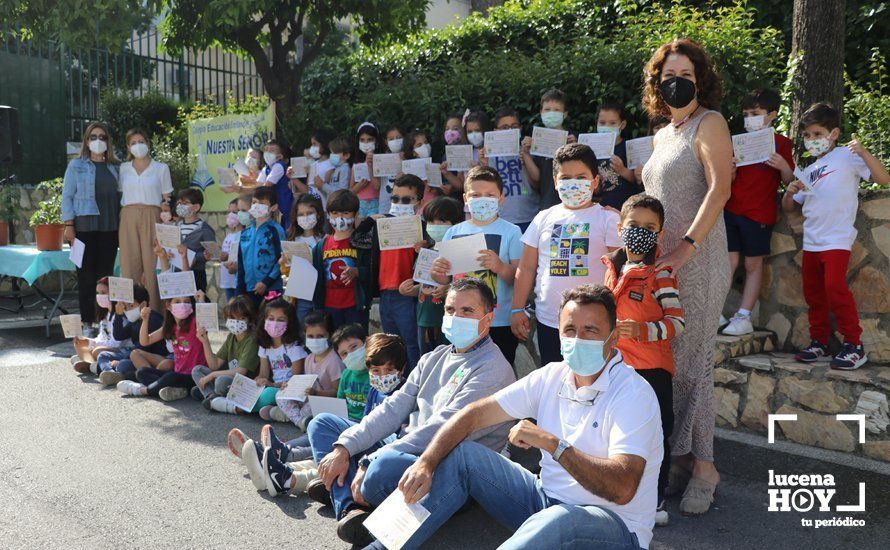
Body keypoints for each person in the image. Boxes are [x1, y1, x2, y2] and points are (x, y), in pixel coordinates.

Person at [367, 284, 661, 550]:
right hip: (545, 501)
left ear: (613, 337)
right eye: (570, 330)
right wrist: (426, 463)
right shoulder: (551, 376)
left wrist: (553, 445)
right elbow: (471, 415)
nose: (578, 338)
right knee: (466, 455)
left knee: (561, 520)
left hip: (616, 528)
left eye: (591, 331)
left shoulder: (632, 393)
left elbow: (622, 490)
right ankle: (382, 546)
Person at [307, 278, 516, 546]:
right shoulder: (435, 356)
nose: (456, 317)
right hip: (407, 445)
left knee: (380, 470)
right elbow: (395, 406)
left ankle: (345, 492)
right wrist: (345, 449)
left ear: (488, 318)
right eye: (451, 310)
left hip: (444, 462)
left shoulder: (492, 369)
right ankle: (351, 508)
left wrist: (368, 460)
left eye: (467, 311)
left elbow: (444, 427)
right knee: (323, 425)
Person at [640, 38, 733, 515]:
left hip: (698, 259)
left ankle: (705, 468)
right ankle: (680, 457)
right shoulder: (661, 135)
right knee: (671, 360)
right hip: (663, 265)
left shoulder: (709, 123)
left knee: (695, 360)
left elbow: (721, 189)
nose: (676, 82)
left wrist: (686, 247)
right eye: (668, 75)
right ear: (657, 83)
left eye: (687, 75)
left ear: (700, 80)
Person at [783, 102, 889, 370]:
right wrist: (788, 192)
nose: (811, 141)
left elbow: (883, 178)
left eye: (817, 134)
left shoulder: (846, 156)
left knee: (834, 288)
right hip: (811, 242)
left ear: (834, 133)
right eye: (807, 136)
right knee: (813, 293)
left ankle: (854, 345)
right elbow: (790, 206)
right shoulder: (807, 171)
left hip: (837, 239)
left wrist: (863, 152)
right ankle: (818, 341)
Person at [602, 193, 684, 526]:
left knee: (654, 434)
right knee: (614, 433)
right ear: (621, 227)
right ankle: (613, 492)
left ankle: (655, 497)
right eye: (634, 225)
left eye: (650, 227)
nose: (641, 231)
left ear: (660, 233)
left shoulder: (661, 273)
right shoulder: (610, 267)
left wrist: (640, 330)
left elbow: (676, 323)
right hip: (615, 368)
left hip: (652, 370)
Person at [254, 333, 409, 502]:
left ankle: (289, 469)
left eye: (389, 370)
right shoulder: (373, 389)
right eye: (376, 371)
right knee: (319, 425)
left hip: (380, 451)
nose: (382, 376)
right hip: (364, 438)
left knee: (335, 449)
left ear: (402, 369)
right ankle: (278, 465)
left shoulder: (406, 393)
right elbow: (366, 422)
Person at [511, 143, 622, 366]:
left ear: (595, 181)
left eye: (581, 177)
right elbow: (526, 268)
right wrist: (516, 308)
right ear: (555, 182)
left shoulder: (609, 219)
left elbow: (620, 271)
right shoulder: (543, 218)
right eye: (566, 178)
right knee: (555, 381)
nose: (573, 183)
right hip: (550, 321)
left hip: (596, 323)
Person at [431, 166, 523, 366]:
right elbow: (445, 279)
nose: (482, 200)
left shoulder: (512, 232)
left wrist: (499, 266)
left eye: (489, 195)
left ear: (501, 199)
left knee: (498, 372)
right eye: (476, 195)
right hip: (459, 319)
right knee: (458, 370)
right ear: (465, 199)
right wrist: (437, 272)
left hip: (498, 321)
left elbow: (519, 277)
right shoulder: (453, 232)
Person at [721, 88, 795, 336]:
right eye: (746, 114)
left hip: (759, 215)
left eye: (755, 113)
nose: (749, 118)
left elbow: (790, 181)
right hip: (731, 211)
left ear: (772, 115)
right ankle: (714, 312)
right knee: (727, 262)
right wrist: (729, 171)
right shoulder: (736, 142)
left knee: (753, 265)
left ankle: (744, 316)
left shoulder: (782, 143)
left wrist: (783, 166)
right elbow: (726, 181)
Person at [353, 174, 430, 371]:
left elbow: (433, 255)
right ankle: (396, 383)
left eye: (406, 199)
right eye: (395, 198)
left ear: (418, 202)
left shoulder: (422, 227)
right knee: (391, 345)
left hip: (407, 293)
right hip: (384, 293)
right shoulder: (382, 223)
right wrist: (370, 220)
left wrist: (426, 247)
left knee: (412, 343)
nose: (399, 203)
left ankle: (414, 384)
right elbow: (356, 240)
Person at [62, 122, 121, 332]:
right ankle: (87, 323)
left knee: (106, 278)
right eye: (93, 137)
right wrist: (69, 225)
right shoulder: (76, 166)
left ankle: (105, 321)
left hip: (110, 230)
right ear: (86, 141)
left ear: (108, 141)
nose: (98, 141)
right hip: (83, 230)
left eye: (102, 137)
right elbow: (67, 197)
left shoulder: (116, 167)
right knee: (86, 277)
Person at [212, 297, 306, 416]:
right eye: (271, 319)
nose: (275, 323)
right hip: (272, 387)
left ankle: (234, 408)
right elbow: (263, 374)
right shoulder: (265, 346)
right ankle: (272, 410)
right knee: (239, 387)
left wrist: (271, 384)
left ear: (290, 322)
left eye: (281, 320)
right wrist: (251, 384)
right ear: (264, 320)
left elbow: (295, 381)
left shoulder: (294, 347)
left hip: (287, 390)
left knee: (269, 394)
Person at [118, 128, 173, 311]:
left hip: (152, 215)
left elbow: (167, 197)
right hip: (128, 215)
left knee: (152, 265)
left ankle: (156, 313)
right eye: (133, 143)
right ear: (128, 146)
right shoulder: (124, 168)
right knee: (128, 264)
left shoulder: (161, 168)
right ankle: (129, 312)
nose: (137, 146)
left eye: (141, 141)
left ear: (148, 143)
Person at [403, 196, 464, 355]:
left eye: (442, 222)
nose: (435, 226)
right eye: (431, 222)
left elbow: (466, 283)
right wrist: (410, 289)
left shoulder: (459, 251)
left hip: (448, 320)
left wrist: (449, 288)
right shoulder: (426, 249)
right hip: (424, 318)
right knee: (426, 361)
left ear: (456, 223)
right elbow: (425, 285)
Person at [266, 310, 345, 431]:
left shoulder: (334, 360)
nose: (315, 340)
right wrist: (289, 388)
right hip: (311, 397)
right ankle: (300, 420)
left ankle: (292, 417)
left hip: (326, 401)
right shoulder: (309, 358)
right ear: (305, 335)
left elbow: (337, 392)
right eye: (311, 336)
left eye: (320, 336)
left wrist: (316, 394)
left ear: (329, 335)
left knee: (308, 407)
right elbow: (306, 382)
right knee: (280, 395)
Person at [117, 295, 206, 401]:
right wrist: (145, 320)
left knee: (171, 377)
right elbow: (145, 341)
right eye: (177, 302)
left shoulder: (196, 323)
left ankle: (142, 390)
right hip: (178, 372)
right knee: (142, 372)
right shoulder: (170, 327)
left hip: (193, 376)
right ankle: (174, 389)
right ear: (169, 306)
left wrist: (201, 301)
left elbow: (206, 318)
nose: (182, 305)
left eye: (187, 302)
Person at [312, 190, 371, 331]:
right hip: (329, 306)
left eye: (345, 213)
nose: (340, 218)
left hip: (355, 306)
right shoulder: (321, 245)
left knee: (357, 343)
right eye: (335, 213)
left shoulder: (363, 242)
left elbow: (373, 270)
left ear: (355, 214)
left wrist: (357, 272)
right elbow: (316, 276)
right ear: (329, 215)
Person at [191, 295, 260, 407]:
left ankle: (211, 394)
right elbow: (214, 364)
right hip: (231, 380)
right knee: (197, 370)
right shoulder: (231, 337)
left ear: (250, 320)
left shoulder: (252, 340)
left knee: (221, 381)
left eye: (241, 318)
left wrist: (212, 375)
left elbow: (241, 371)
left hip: (245, 384)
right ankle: (211, 396)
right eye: (232, 318)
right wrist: (205, 342)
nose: (236, 322)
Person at [479, 107, 538, 231]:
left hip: (531, 215)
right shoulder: (491, 155)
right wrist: (485, 164)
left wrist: (526, 155)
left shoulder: (528, 149)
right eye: (504, 127)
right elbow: (489, 186)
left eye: (514, 126)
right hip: (502, 217)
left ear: (520, 128)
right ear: (495, 131)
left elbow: (537, 180)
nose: (510, 130)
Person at [97, 284, 168, 386]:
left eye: (130, 306)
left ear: (143, 305)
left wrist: (122, 359)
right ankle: (111, 374)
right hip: (134, 355)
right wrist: (118, 314)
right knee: (103, 355)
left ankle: (120, 373)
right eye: (125, 307)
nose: (127, 310)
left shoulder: (153, 319)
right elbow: (119, 335)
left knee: (123, 365)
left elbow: (144, 347)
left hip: (150, 357)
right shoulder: (135, 319)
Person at [281, 192, 327, 325]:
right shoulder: (292, 239)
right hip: (301, 295)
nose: (305, 217)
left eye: (309, 213)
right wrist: (283, 263)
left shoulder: (324, 239)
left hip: (320, 294)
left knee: (321, 330)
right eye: (301, 214)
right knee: (302, 332)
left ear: (318, 214)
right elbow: (286, 270)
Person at [529, 89, 577, 211]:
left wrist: (576, 147)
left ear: (564, 114)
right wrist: (525, 153)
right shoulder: (537, 142)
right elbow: (536, 179)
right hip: (547, 205)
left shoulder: (574, 139)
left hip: (574, 203)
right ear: (541, 112)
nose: (551, 113)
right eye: (547, 109)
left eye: (556, 110)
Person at [237, 186, 286, 304]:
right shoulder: (245, 232)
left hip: (271, 288)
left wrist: (266, 282)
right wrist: (239, 289)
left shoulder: (276, 230)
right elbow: (241, 263)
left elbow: (282, 259)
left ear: (273, 207)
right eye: (254, 202)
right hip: (248, 288)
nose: (257, 206)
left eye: (262, 203)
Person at [595, 103, 643, 210]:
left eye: (612, 123)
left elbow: (637, 180)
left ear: (622, 125)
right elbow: (596, 190)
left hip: (629, 207)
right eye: (602, 123)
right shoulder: (594, 149)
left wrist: (622, 170)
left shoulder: (629, 147)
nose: (607, 127)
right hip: (604, 207)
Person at [71, 277, 121, 374]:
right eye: (98, 293)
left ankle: (91, 364)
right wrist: (87, 340)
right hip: (107, 347)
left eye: (103, 293)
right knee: (79, 343)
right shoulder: (106, 314)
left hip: (119, 349)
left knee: (97, 351)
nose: (99, 296)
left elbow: (117, 344)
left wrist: (92, 344)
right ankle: (91, 364)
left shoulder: (119, 316)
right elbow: (102, 337)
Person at [175, 188, 216, 292]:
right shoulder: (176, 226)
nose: (180, 206)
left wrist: (201, 256)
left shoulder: (205, 229)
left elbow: (213, 254)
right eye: (179, 203)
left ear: (196, 207)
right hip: (176, 273)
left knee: (194, 305)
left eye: (185, 203)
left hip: (196, 274)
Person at [257, 139, 294, 230]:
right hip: (274, 205)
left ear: (279, 156)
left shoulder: (279, 166)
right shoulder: (266, 168)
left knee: (285, 229)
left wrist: (240, 189)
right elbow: (258, 186)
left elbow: (265, 186)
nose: (268, 153)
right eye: (266, 150)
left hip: (284, 204)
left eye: (272, 150)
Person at [218, 196, 250, 302]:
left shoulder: (246, 235)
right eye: (229, 212)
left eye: (235, 212)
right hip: (228, 280)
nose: (231, 215)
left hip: (238, 280)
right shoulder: (229, 235)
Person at [351, 122, 383, 220]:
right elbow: (350, 191)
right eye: (362, 140)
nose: (366, 143)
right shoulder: (356, 164)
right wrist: (358, 186)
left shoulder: (381, 161)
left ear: (376, 141)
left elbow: (377, 186)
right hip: (360, 205)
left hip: (376, 205)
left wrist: (370, 167)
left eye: (370, 140)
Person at [378, 125, 407, 215]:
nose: (395, 141)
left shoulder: (410, 158)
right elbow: (377, 185)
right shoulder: (381, 160)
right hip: (385, 205)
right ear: (386, 141)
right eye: (391, 139)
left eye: (398, 138)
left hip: (404, 206)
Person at [317, 136, 352, 201]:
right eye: (331, 152)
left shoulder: (345, 169)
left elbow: (342, 191)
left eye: (335, 153)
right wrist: (321, 186)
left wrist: (323, 185)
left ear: (346, 155)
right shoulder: (337, 168)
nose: (332, 155)